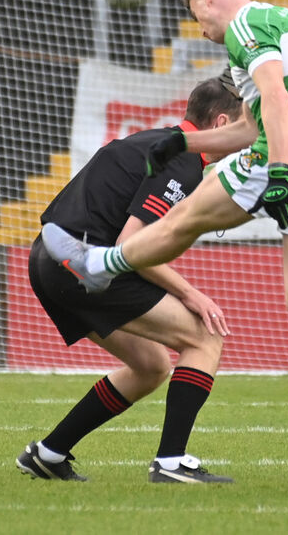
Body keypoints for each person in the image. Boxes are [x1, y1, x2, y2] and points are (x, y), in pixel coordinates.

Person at [40, 0, 288, 498]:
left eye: (195, 17)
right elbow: (248, 126)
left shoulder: (244, 24)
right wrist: (185, 144)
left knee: (184, 219)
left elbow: (275, 99)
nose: (200, 30)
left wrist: (282, 170)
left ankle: (100, 263)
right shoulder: (284, 22)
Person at [16, 75, 242, 484]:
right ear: (221, 123)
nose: (249, 136)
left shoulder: (154, 141)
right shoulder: (184, 162)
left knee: (151, 365)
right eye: (244, 126)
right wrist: (193, 295)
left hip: (46, 259)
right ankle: (171, 462)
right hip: (81, 264)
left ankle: (48, 454)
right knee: (205, 336)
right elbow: (131, 245)